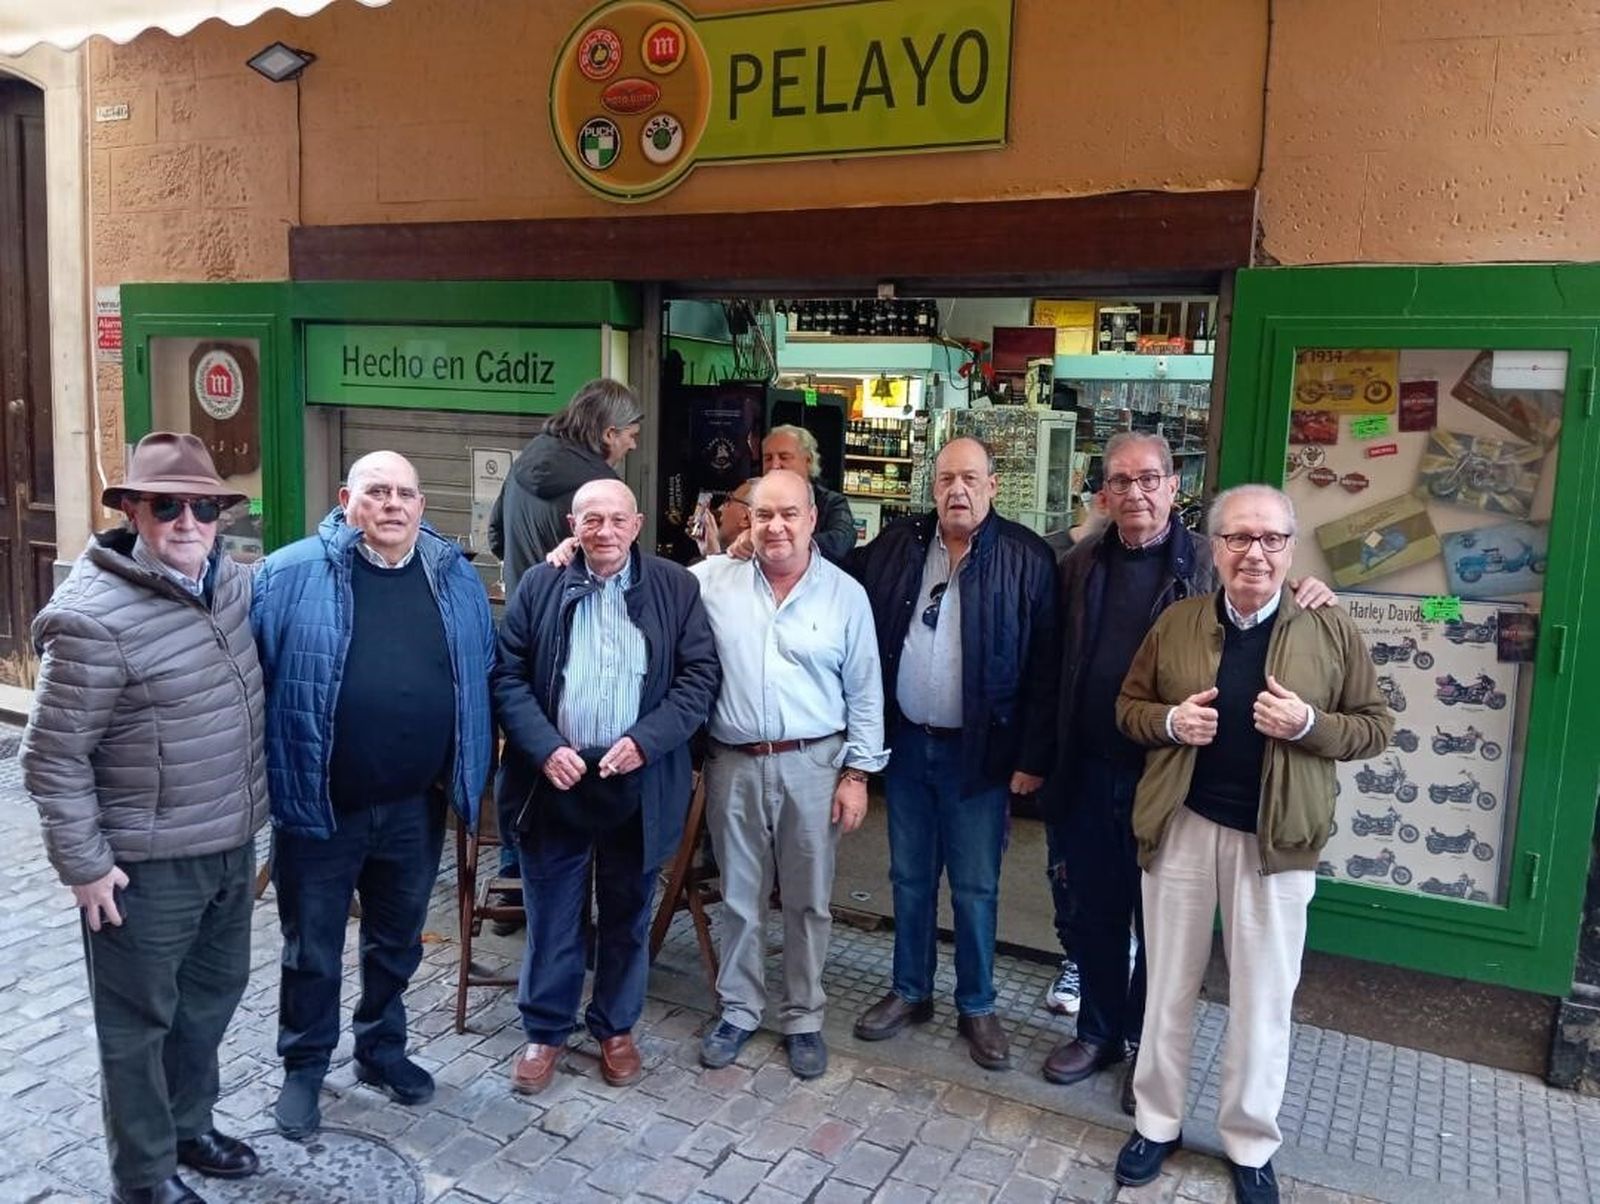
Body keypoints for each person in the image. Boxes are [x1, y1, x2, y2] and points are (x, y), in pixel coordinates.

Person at [1111, 484, 1390, 1203]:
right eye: (1238, 537)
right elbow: (1128, 708)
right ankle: (1157, 1123)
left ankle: (1250, 1142)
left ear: (1291, 549)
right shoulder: (1177, 623)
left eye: (1270, 539)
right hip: (1182, 830)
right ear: (1214, 547)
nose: (1254, 553)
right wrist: (1172, 723)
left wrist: (1308, 726)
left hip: (1278, 845)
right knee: (1167, 989)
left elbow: (1375, 726)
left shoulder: (1330, 630)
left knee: (1263, 1001)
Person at [1041, 434, 1333, 1115]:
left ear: (1176, 487)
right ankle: (1099, 1033)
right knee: (1096, 911)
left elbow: (1271, 600)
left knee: (1163, 926)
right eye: (1121, 481)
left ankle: (1148, 1051)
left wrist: (1317, 590)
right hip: (1089, 768)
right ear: (1104, 494)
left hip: (1170, 776)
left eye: (1149, 479)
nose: (1135, 493)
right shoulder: (1079, 564)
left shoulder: (1213, 558)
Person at [20, 432, 268, 1204]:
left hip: (228, 846)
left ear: (221, 516)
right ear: (132, 510)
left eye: (202, 505)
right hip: (143, 868)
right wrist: (86, 866)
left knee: (211, 1000)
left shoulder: (229, 583)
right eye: (167, 505)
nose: (186, 520)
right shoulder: (91, 619)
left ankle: (188, 1125)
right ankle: (143, 1174)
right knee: (138, 1026)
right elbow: (50, 758)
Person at [252, 451, 495, 1141]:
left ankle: (381, 1050)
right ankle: (303, 1067)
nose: (392, 504)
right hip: (320, 807)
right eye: (377, 491)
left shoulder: (454, 579)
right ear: (345, 498)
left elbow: (483, 673)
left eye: (405, 494)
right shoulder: (290, 574)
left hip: (415, 806)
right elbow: (250, 686)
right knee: (312, 947)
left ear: (422, 505)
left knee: (396, 944)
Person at [493, 479, 719, 1094]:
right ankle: (545, 1031)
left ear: (637, 523)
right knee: (552, 916)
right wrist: (544, 748)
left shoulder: (676, 587)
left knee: (625, 914)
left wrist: (647, 740)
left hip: (637, 783)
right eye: (592, 519)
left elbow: (699, 678)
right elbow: (506, 673)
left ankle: (615, 1027)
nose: (605, 531)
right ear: (573, 523)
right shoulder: (541, 585)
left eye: (617, 519)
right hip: (555, 779)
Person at [849, 437, 1057, 1071]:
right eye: (945, 479)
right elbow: (834, 576)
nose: (957, 491)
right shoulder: (900, 544)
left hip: (981, 752)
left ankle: (977, 1004)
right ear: (931, 486)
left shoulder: (1026, 555)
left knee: (974, 885)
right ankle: (910, 990)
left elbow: (1047, 667)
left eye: (970, 478)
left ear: (994, 485)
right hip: (910, 742)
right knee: (908, 877)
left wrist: (1031, 756)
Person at [690, 469, 887, 1079]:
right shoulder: (711, 583)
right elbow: (634, 584)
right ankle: (740, 1009)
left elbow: (866, 692)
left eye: (789, 515)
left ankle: (803, 1017)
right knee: (740, 898)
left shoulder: (845, 595)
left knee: (808, 902)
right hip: (735, 763)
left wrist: (858, 773)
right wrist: (568, 554)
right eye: (763, 515)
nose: (776, 527)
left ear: (811, 520)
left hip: (815, 764)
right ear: (746, 520)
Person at [488, 377, 643, 919]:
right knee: (571, 756)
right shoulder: (597, 484)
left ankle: (516, 880)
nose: (633, 445)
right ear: (606, 433)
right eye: (629, 434)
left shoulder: (528, 456)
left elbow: (494, 538)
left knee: (530, 754)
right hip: (573, 636)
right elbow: (615, 561)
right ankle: (570, 909)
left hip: (522, 629)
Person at [724, 424, 855, 562]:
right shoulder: (750, 497)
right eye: (768, 458)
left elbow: (841, 542)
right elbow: (725, 541)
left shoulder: (831, 502)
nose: (774, 465)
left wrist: (782, 543)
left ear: (808, 460)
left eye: (784, 457)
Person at [691, 476, 759, 558]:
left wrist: (713, 556)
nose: (721, 508)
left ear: (745, 518)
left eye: (728, 500)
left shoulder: (749, 567)